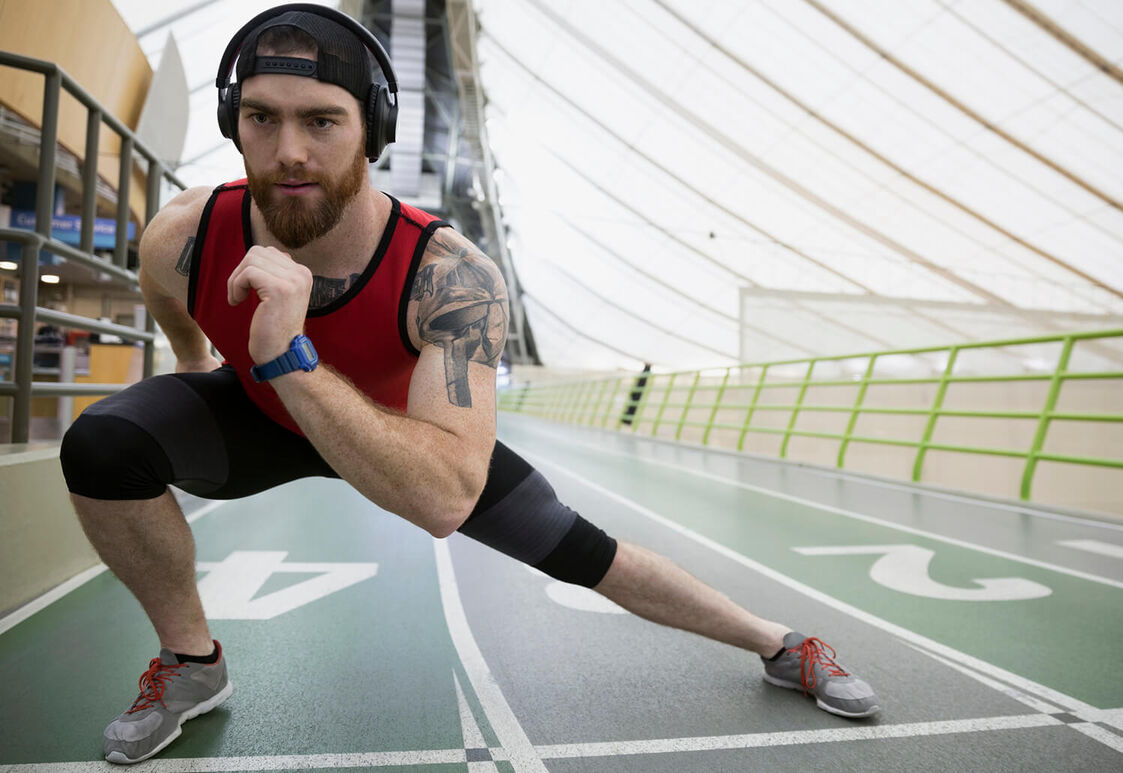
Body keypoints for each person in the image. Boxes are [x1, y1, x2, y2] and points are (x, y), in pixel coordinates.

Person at [58, 4, 880, 765]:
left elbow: (444, 501)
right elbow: (164, 293)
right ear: (232, 124)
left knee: (585, 551)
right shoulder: (187, 233)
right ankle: (192, 663)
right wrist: (195, 358)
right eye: (261, 118)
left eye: (321, 120)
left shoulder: (449, 276)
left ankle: (780, 642)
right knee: (101, 444)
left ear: (372, 130)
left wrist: (289, 357)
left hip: (395, 433)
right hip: (260, 416)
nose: (289, 151)